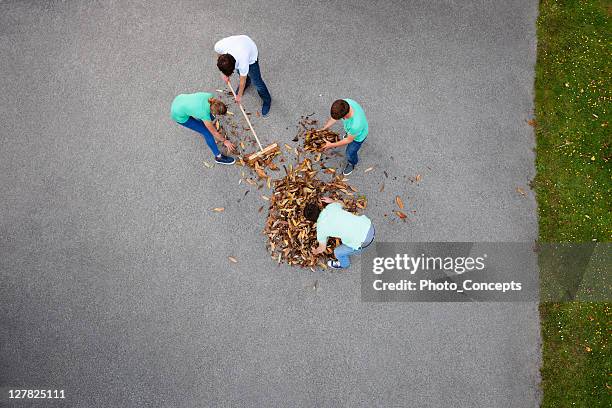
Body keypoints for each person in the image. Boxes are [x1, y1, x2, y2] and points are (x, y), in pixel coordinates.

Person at [304, 197, 375, 269]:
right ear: (319, 207)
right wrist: (332, 201)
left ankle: (344, 264)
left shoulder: (320, 230)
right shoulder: (331, 207)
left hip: (364, 242)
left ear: (311, 221)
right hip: (368, 226)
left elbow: (322, 248)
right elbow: (342, 204)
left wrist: (315, 251)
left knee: (337, 252)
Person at [171, 92, 236, 165]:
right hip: (178, 115)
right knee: (207, 132)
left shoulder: (210, 96)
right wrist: (224, 141)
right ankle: (218, 157)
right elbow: (214, 132)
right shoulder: (204, 114)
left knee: (207, 122)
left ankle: (204, 125)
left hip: (179, 99)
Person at [215, 35, 272, 116]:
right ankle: (248, 82)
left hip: (250, 51)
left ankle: (267, 100)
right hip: (240, 45)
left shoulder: (243, 62)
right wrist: (224, 74)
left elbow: (242, 80)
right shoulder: (219, 46)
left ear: (234, 65)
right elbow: (218, 55)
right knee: (241, 73)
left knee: (257, 82)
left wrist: (239, 96)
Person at [319, 99, 369, 176]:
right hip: (351, 131)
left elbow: (349, 140)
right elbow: (334, 118)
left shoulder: (356, 124)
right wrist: (324, 127)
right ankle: (349, 133)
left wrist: (331, 145)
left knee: (350, 152)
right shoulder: (345, 103)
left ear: (344, 116)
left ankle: (352, 163)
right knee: (349, 133)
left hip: (358, 137)